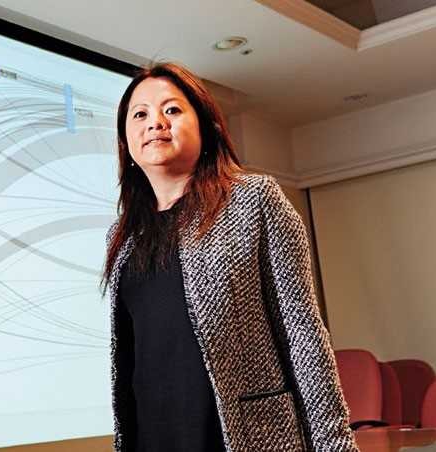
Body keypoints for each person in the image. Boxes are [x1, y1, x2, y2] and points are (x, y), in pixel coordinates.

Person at [101, 62, 358, 452]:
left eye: (172, 110)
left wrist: (334, 443)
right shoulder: (122, 235)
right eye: (140, 114)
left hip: (244, 437)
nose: (155, 123)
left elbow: (303, 332)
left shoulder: (254, 200)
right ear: (126, 141)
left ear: (206, 127)